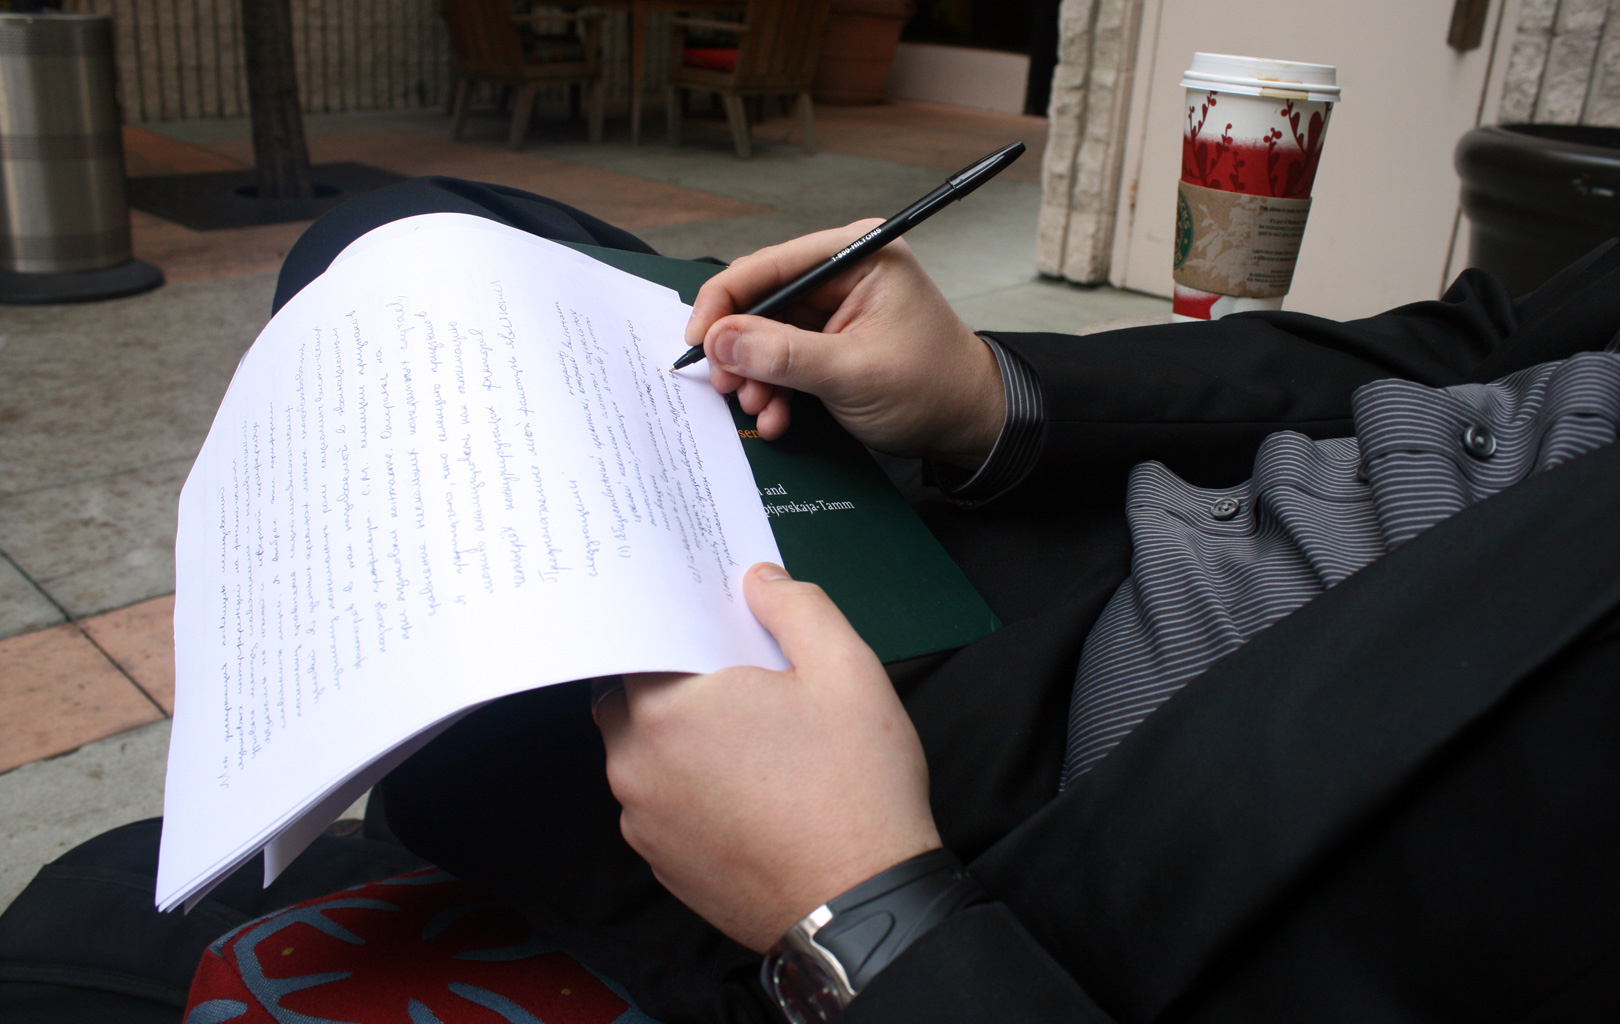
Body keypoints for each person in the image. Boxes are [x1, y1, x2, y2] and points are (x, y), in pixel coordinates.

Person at [275, 177, 1620, 1024]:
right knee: (398, 247)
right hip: (1128, 523)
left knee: (482, 726)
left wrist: (859, 913)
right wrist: (993, 396)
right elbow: (1476, 346)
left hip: (1135, 809)